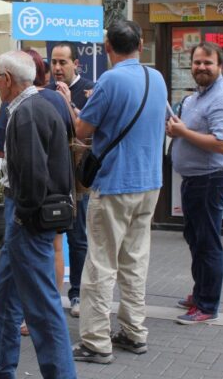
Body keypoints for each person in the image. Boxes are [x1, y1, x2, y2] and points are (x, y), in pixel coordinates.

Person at [0, 51, 76, 379]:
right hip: (29, 214)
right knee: (6, 293)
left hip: (28, 218)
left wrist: (22, 218)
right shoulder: (38, 105)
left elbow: (31, 176)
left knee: (42, 308)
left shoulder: (27, 112)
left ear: (8, 80)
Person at [70, 21, 167, 363]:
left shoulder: (109, 80)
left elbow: (82, 131)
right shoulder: (156, 78)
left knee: (101, 263)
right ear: (140, 44)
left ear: (107, 47)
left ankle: (96, 342)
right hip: (150, 183)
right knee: (135, 261)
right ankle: (133, 331)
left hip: (114, 184)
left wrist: (75, 108)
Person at [166, 42, 223, 325]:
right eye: (197, 62)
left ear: (220, 66)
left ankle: (207, 305)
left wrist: (183, 132)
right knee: (196, 240)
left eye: (208, 63)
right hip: (194, 180)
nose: (201, 67)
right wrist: (175, 129)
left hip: (210, 180)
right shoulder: (196, 97)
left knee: (207, 244)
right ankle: (199, 294)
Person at [47, 41, 94, 317]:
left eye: (63, 62)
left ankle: (77, 293)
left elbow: (85, 134)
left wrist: (68, 102)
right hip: (52, 174)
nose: (57, 68)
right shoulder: (47, 90)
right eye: (54, 62)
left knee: (78, 237)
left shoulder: (89, 89)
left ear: (76, 63)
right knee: (53, 238)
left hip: (77, 177)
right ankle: (51, 294)